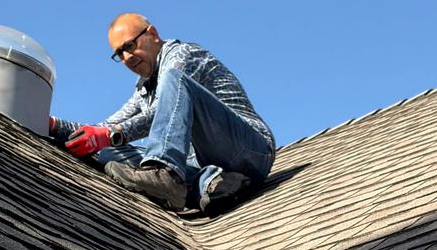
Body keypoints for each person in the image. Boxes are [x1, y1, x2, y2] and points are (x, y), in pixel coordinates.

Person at [48, 13, 276, 213]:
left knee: (174, 82)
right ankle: (212, 184)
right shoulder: (144, 88)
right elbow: (104, 127)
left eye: (129, 46)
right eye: (119, 53)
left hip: (250, 151)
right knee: (108, 152)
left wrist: (113, 134)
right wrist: (53, 125)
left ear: (153, 34)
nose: (127, 58)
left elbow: (154, 114)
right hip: (211, 166)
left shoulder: (182, 55)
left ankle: (166, 175)